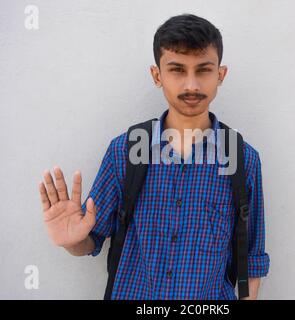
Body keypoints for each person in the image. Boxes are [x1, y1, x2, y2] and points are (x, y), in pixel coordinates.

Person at [38, 13, 270, 300]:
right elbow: (90, 239)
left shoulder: (242, 159)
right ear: (156, 75)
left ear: (220, 75)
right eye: (177, 69)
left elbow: (252, 258)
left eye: (203, 70)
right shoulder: (125, 151)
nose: (191, 85)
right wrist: (71, 242)